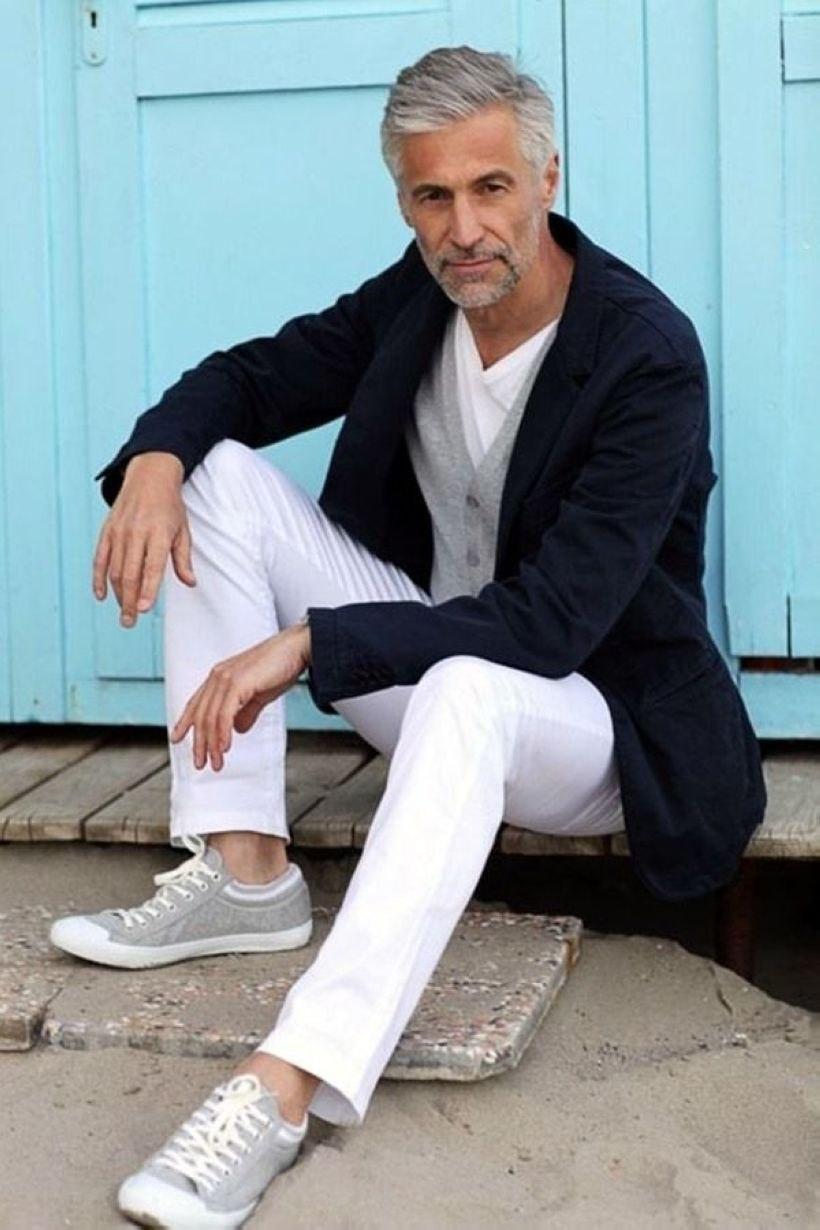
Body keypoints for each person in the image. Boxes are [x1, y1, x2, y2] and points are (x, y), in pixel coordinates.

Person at [49, 45, 766, 1229]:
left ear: (547, 178)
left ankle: (284, 1085)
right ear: (403, 201)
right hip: (432, 679)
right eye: (432, 196)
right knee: (215, 474)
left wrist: (311, 644)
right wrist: (157, 460)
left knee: (470, 684)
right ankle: (244, 871)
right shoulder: (420, 296)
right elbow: (251, 376)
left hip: (591, 723)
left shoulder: (643, 353)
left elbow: (551, 623)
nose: (463, 228)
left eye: (491, 188)